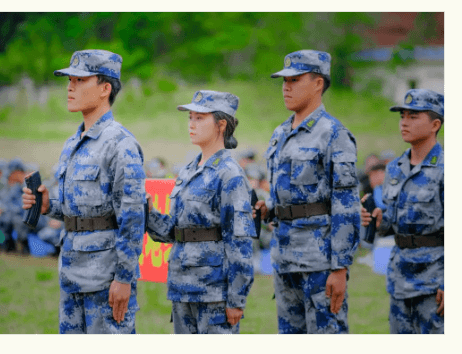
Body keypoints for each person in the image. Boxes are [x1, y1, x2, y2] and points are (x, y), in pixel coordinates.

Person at [22, 49, 146, 334]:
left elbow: (132, 218)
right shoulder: (73, 143)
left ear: (105, 88)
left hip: (105, 280)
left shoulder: (120, 144)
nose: (70, 86)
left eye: (80, 80)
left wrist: (124, 278)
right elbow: (76, 208)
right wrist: (46, 205)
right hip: (71, 274)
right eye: (69, 80)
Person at [253, 50, 360, 334]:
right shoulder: (280, 133)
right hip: (284, 255)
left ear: (318, 84)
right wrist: (268, 207)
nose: (286, 87)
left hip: (319, 260)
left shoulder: (334, 134)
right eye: (284, 81)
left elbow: (345, 204)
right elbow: (283, 191)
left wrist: (340, 267)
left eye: (295, 80)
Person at [146, 90, 257, 334]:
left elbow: (239, 241)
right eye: (190, 118)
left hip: (214, 293)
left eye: (199, 118)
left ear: (221, 125)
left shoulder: (230, 174)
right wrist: (149, 212)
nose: (192, 124)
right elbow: (173, 232)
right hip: (182, 288)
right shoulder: (187, 171)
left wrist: (236, 298)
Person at [361, 88, 444, 334]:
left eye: (413, 117)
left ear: (435, 124)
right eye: (402, 116)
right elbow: (392, 223)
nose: (404, 123)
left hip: (434, 281)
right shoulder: (395, 168)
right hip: (400, 278)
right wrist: (377, 220)